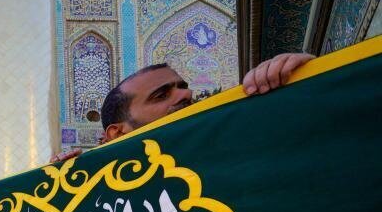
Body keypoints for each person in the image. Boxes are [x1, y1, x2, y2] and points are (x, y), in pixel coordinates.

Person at [51, 52, 316, 161]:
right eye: (160, 95)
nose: (186, 94)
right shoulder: (105, 198)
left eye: (182, 86)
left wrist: (312, 84)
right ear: (117, 133)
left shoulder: (235, 151)